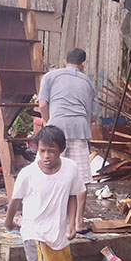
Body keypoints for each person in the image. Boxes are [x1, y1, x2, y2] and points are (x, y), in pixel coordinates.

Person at [5, 125, 85, 261]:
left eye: (51, 151)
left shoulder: (70, 168)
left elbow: (75, 194)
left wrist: (71, 223)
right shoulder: (28, 174)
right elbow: (15, 201)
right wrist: (9, 222)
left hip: (56, 230)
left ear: (62, 151)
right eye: (42, 151)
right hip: (33, 231)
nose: (46, 156)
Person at [38, 48, 100, 233]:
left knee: (45, 171)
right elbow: (94, 116)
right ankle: (78, 223)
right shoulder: (88, 82)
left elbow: (42, 105)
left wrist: (50, 124)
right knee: (81, 178)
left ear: (65, 61)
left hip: (56, 129)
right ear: (83, 64)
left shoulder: (50, 76)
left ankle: (45, 218)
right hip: (80, 130)